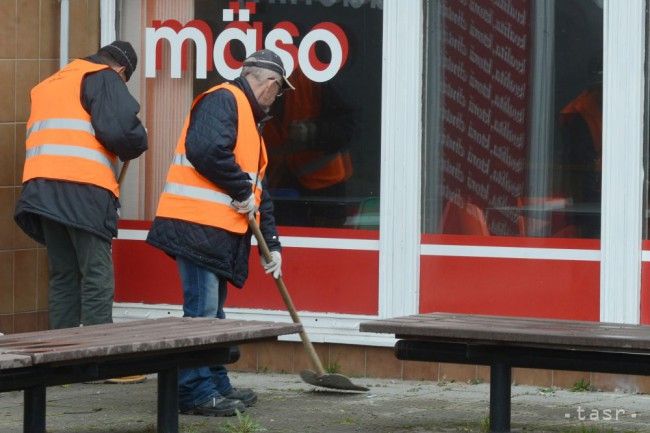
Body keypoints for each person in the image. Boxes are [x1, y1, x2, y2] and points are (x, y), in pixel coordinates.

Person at [146, 49, 293, 416]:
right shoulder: (224, 100)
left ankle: (214, 383)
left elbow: (259, 190)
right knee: (202, 313)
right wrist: (240, 189)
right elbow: (205, 149)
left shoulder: (247, 121)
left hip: (214, 231)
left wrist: (271, 245)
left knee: (213, 316)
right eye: (279, 91)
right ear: (270, 84)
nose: (278, 98)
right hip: (197, 226)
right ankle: (193, 391)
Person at [14, 41, 148, 331]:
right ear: (121, 69)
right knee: (96, 272)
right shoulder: (105, 76)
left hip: (41, 191)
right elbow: (121, 130)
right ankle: (97, 358)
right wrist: (139, 138)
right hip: (83, 190)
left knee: (63, 274)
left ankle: (63, 357)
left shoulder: (52, 82)